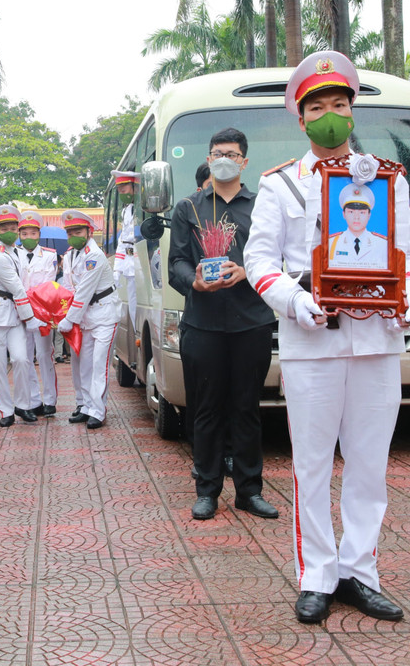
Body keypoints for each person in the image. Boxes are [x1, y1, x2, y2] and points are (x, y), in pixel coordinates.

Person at [243, 51, 410, 625]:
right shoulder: (279, 186)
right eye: (316, 107)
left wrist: (409, 304)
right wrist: (295, 302)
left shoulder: (389, 180)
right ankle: (317, 573)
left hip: (376, 339)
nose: (329, 116)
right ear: (301, 118)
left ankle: (360, 572)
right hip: (311, 342)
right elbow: (259, 261)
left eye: (339, 105)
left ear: (352, 110)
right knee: (313, 462)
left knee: (370, 463)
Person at [170, 127, 278, 522]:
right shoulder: (189, 208)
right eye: (217, 153)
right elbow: (176, 263)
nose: (223, 159)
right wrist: (193, 280)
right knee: (207, 409)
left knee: (247, 408)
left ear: (245, 161)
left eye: (231, 153)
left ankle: (249, 491)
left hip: (252, 321)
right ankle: (207, 491)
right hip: (204, 323)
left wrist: (248, 271)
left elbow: (277, 257)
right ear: (209, 157)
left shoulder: (263, 205)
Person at [0, 205, 44, 427]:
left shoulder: (18, 253)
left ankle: (23, 405)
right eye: (4, 228)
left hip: (16, 315)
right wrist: (31, 319)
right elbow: (18, 289)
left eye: (13, 227)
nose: (9, 230)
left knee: (21, 359)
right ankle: (5, 410)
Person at [58, 209, 120, 429]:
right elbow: (68, 287)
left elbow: (84, 291)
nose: (74, 235)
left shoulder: (94, 255)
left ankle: (98, 410)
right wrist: (61, 312)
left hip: (103, 314)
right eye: (70, 232)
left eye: (78, 231)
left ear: (89, 232)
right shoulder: (71, 255)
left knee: (98, 364)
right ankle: (85, 406)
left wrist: (69, 319)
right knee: (83, 365)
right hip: (85, 317)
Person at [19, 211, 59, 416]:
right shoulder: (13, 255)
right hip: (21, 314)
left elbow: (48, 284)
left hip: (42, 313)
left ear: (39, 234)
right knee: (25, 357)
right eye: (24, 234)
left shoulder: (50, 255)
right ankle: (34, 400)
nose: (28, 237)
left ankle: (50, 400)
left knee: (45, 355)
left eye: (32, 233)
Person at [326, 182, 388, 269]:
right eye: (351, 212)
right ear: (344, 214)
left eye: (362, 212)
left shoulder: (383, 244)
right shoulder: (331, 243)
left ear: (369, 215)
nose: (356, 217)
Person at [112, 170, 140, 331]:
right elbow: (122, 242)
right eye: (119, 187)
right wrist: (117, 268)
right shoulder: (126, 210)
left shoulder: (143, 207)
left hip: (142, 262)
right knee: (133, 308)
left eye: (124, 186)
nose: (121, 190)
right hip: (129, 265)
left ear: (134, 186)